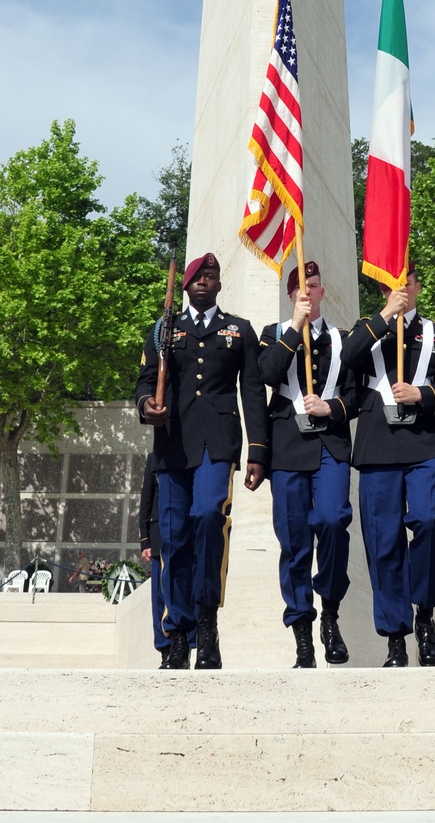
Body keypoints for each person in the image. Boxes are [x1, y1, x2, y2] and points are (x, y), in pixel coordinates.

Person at [135, 251, 269, 671]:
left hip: (217, 444)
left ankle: (207, 621)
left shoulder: (239, 331)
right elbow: (143, 382)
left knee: (210, 515)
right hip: (172, 443)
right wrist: (146, 405)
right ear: (187, 284)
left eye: (211, 276)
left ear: (218, 285)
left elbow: (251, 392)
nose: (204, 282)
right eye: (197, 276)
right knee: (173, 536)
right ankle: (177, 632)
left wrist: (258, 451)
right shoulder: (163, 331)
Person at [341, 265, 435, 668]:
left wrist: (421, 393)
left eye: (409, 281)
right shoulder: (366, 327)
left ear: (418, 285)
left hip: (425, 441)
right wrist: (384, 317)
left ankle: (425, 613)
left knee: (428, 521)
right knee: (384, 541)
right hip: (378, 445)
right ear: (382, 287)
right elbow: (348, 358)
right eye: (394, 283)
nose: (404, 288)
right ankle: (395, 635)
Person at [258, 260, 358, 668]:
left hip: (329, 446)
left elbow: (356, 397)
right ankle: (302, 631)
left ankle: (330, 613)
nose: (308, 293)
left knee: (334, 521)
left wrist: (332, 406)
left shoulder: (342, 338)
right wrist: (292, 331)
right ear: (291, 295)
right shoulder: (272, 335)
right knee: (294, 542)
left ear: (322, 293)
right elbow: (267, 374)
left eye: (314, 287)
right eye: (301, 288)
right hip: (286, 449)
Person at [138, 452, 170, 668]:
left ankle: (183, 645)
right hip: (158, 535)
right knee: (159, 598)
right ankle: (164, 649)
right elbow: (146, 499)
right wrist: (145, 540)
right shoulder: (154, 458)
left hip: (183, 533)